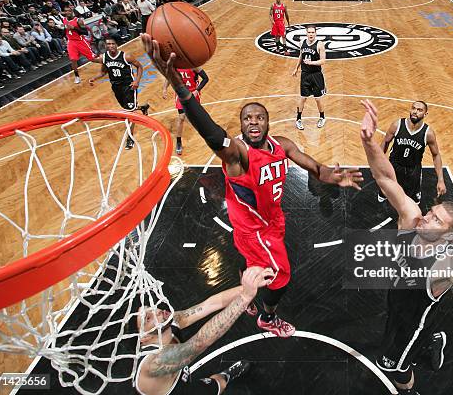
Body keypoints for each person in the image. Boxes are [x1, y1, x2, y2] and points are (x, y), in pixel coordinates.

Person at [142, 33, 363, 338]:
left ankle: (247, 288)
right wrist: (181, 87)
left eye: (260, 117)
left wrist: (328, 175)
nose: (254, 121)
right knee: (280, 277)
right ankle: (267, 319)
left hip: (273, 220)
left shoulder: (281, 145)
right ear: (242, 125)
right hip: (253, 229)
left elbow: (314, 166)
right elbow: (211, 133)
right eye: (248, 118)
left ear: (268, 122)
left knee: (254, 265)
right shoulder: (238, 155)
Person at [360, 100, 453, 394]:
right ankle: (434, 339)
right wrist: (369, 142)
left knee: (394, 369)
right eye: (430, 212)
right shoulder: (412, 220)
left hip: (410, 323)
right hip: (399, 300)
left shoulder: (449, 265)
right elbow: (385, 177)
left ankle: (411, 387)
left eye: (435, 220)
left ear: (448, 237)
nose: (425, 219)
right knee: (407, 318)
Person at [135, 266, 274, 395]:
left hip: (177, 375)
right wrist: (245, 298)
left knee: (219, 383)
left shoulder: (171, 320)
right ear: (145, 338)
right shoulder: (153, 363)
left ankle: (227, 375)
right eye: (148, 318)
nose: (157, 312)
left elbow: (210, 304)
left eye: (151, 308)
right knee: (219, 386)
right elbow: (199, 342)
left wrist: (248, 287)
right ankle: (224, 379)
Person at [377, 101, 446, 204]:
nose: (415, 112)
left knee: (413, 202)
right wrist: (379, 162)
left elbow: (436, 155)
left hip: (413, 170)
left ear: (425, 114)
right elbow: (385, 142)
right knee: (383, 195)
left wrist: (440, 179)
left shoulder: (428, 133)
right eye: (413, 108)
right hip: (393, 166)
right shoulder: (397, 124)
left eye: (419, 110)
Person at [88, 38, 149, 149]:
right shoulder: (105, 58)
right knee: (127, 107)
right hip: (116, 87)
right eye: (108, 44)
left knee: (129, 113)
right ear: (106, 46)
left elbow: (140, 67)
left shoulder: (126, 56)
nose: (110, 45)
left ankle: (130, 138)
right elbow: (103, 72)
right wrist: (93, 78)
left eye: (112, 43)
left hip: (128, 86)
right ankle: (143, 107)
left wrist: (137, 81)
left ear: (117, 45)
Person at [162, 67, 210, 155]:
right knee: (181, 117)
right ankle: (179, 142)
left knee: (197, 116)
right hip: (181, 94)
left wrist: (197, 90)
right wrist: (164, 89)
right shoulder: (175, 65)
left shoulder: (193, 65)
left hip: (193, 93)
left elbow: (205, 78)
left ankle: (208, 135)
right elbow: (169, 77)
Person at [292, 25, 326, 131]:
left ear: (315, 33)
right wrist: (296, 68)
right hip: (305, 74)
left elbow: (323, 61)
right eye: (309, 32)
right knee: (303, 98)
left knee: (318, 99)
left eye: (312, 32)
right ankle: (298, 119)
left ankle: (322, 117)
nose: (311, 34)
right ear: (306, 33)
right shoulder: (302, 43)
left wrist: (311, 63)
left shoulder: (320, 44)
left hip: (316, 75)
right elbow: (301, 56)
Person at [62, 5, 97, 84]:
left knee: (92, 59)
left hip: (80, 41)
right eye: (66, 11)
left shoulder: (78, 20)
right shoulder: (63, 20)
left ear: (72, 12)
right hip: (71, 42)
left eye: (69, 11)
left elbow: (85, 32)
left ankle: (106, 62)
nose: (67, 12)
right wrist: (63, 35)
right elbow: (65, 31)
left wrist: (74, 28)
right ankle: (77, 76)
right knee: (73, 59)